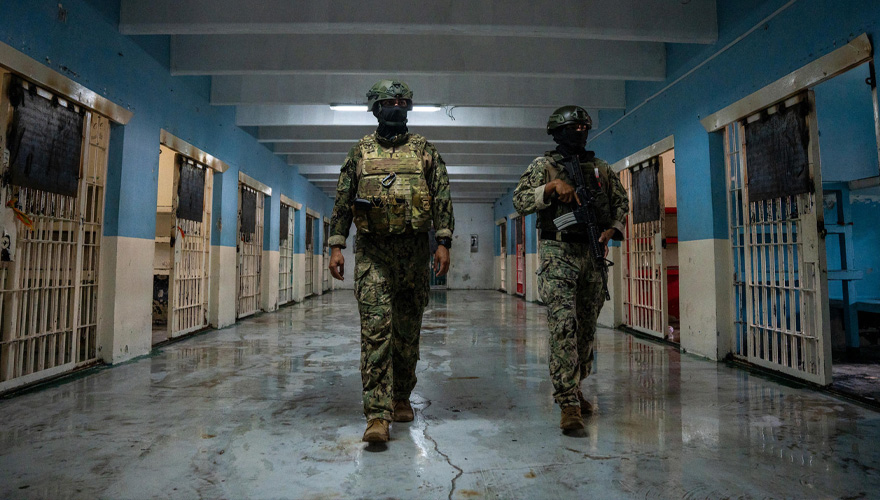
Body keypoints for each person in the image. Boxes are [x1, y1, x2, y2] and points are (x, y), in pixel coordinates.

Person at [327, 80, 454, 443]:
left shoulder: (425, 151)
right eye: (389, 102)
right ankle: (377, 415)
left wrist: (443, 242)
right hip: (373, 252)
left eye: (402, 102)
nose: (396, 107)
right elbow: (343, 199)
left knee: (407, 334)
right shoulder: (360, 152)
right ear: (376, 108)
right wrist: (336, 245)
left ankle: (401, 396)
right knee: (376, 332)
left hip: (414, 253)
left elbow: (442, 196)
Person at [512, 105, 628, 433]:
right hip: (557, 251)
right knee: (564, 325)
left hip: (592, 254)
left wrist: (613, 229)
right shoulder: (543, 167)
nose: (579, 133)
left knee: (586, 329)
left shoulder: (601, 169)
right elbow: (520, 201)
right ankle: (567, 402)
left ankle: (576, 387)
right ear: (557, 132)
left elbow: (621, 203)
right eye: (572, 128)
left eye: (583, 127)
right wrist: (550, 188)